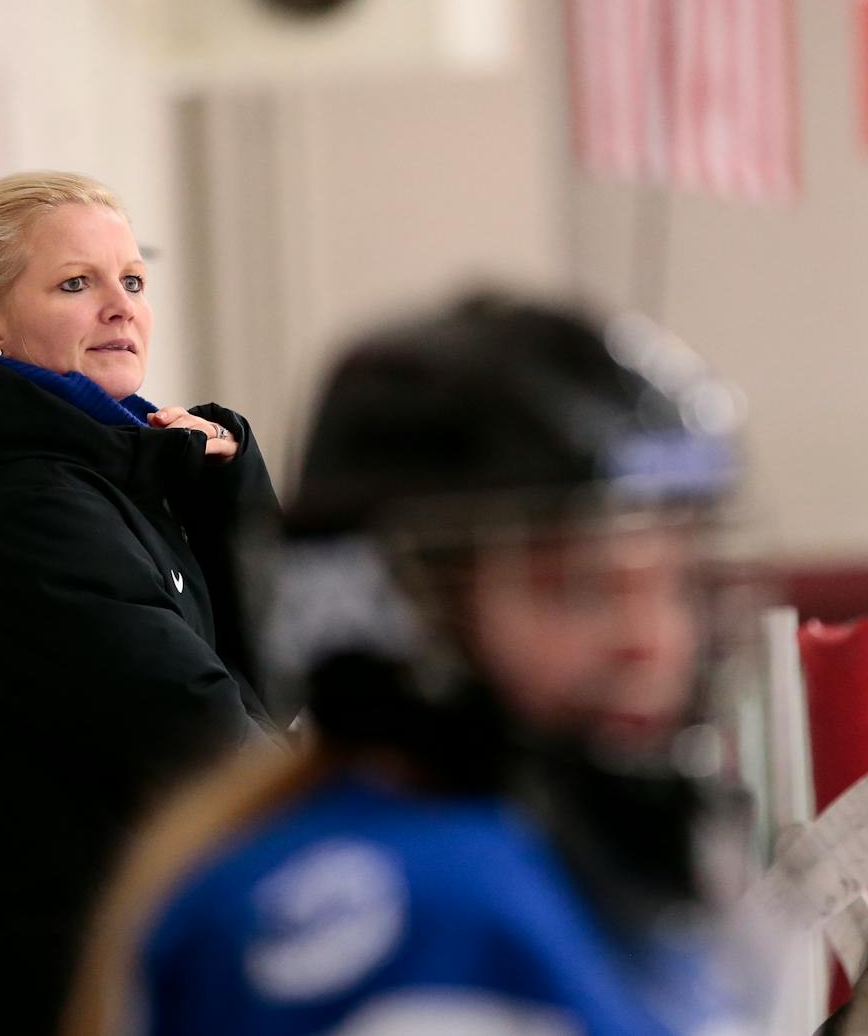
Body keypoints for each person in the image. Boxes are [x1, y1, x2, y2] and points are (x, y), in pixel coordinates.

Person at [64, 295, 768, 1036]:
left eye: (676, 581)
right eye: (579, 587)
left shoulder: (548, 848)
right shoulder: (430, 911)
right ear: (386, 601)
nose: (652, 642)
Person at [0, 170, 286, 1035]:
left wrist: (223, 492)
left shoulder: (100, 486)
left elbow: (268, 666)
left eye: (133, 280)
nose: (120, 306)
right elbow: (204, 736)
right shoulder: (20, 508)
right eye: (76, 283)